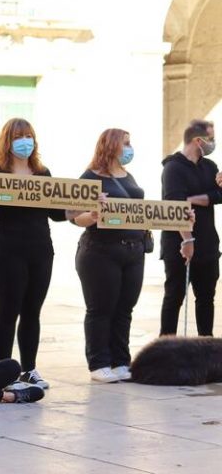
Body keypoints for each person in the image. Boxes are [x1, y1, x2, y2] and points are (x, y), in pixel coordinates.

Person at [0, 118, 66, 389]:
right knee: (9, 310)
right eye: (18, 136)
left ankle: (29, 369)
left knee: (32, 312)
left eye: (29, 135)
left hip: (40, 251)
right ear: (7, 142)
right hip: (7, 252)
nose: (25, 141)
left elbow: (59, 213)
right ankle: (5, 371)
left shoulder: (42, 173)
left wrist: (84, 207)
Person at [67, 129, 146, 383]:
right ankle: (99, 363)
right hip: (100, 252)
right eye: (126, 143)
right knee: (101, 308)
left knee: (125, 308)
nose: (130, 148)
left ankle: (121, 361)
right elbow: (74, 216)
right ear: (112, 146)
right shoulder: (90, 178)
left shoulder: (128, 175)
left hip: (133, 251)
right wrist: (92, 215)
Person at [160, 120, 221, 337]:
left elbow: (219, 195)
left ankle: (207, 347)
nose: (213, 143)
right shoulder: (173, 168)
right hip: (179, 245)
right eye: (211, 138)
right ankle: (165, 348)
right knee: (174, 297)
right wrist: (187, 241)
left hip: (208, 245)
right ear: (198, 140)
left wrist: (192, 198)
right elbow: (175, 206)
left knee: (206, 299)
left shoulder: (210, 166)